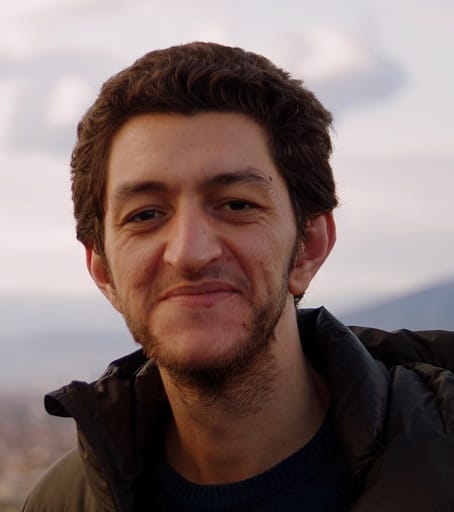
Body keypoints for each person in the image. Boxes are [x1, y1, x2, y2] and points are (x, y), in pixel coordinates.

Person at [23, 42, 454, 511]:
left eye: (236, 205)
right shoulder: (63, 502)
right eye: (146, 214)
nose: (190, 253)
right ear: (103, 270)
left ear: (308, 247)